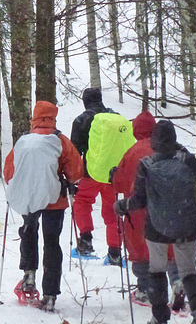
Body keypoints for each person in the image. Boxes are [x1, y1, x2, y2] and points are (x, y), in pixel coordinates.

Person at [114, 120, 196, 324]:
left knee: (156, 271)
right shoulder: (185, 159)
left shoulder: (146, 165)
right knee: (188, 271)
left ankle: (159, 317)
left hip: (157, 227)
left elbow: (139, 201)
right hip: (187, 225)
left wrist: (122, 206)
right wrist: (180, 150)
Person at [3, 101, 84, 312]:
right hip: (54, 199)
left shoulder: (23, 141)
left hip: (30, 197)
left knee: (29, 232)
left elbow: (9, 171)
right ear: (53, 117)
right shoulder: (60, 141)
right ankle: (50, 294)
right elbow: (76, 172)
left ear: (34, 118)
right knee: (52, 243)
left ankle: (28, 275)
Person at [110, 111, 183, 309]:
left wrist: (114, 176)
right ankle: (177, 281)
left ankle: (146, 290)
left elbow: (121, 184)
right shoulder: (169, 150)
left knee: (140, 249)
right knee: (170, 247)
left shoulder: (132, 152)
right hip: (168, 209)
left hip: (138, 209)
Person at [70, 87, 122, 265]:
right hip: (112, 175)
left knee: (82, 201)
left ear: (85, 102)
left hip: (90, 173)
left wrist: (71, 177)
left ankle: (85, 241)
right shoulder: (116, 118)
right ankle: (115, 252)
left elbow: (75, 153)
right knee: (112, 211)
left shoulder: (81, 120)